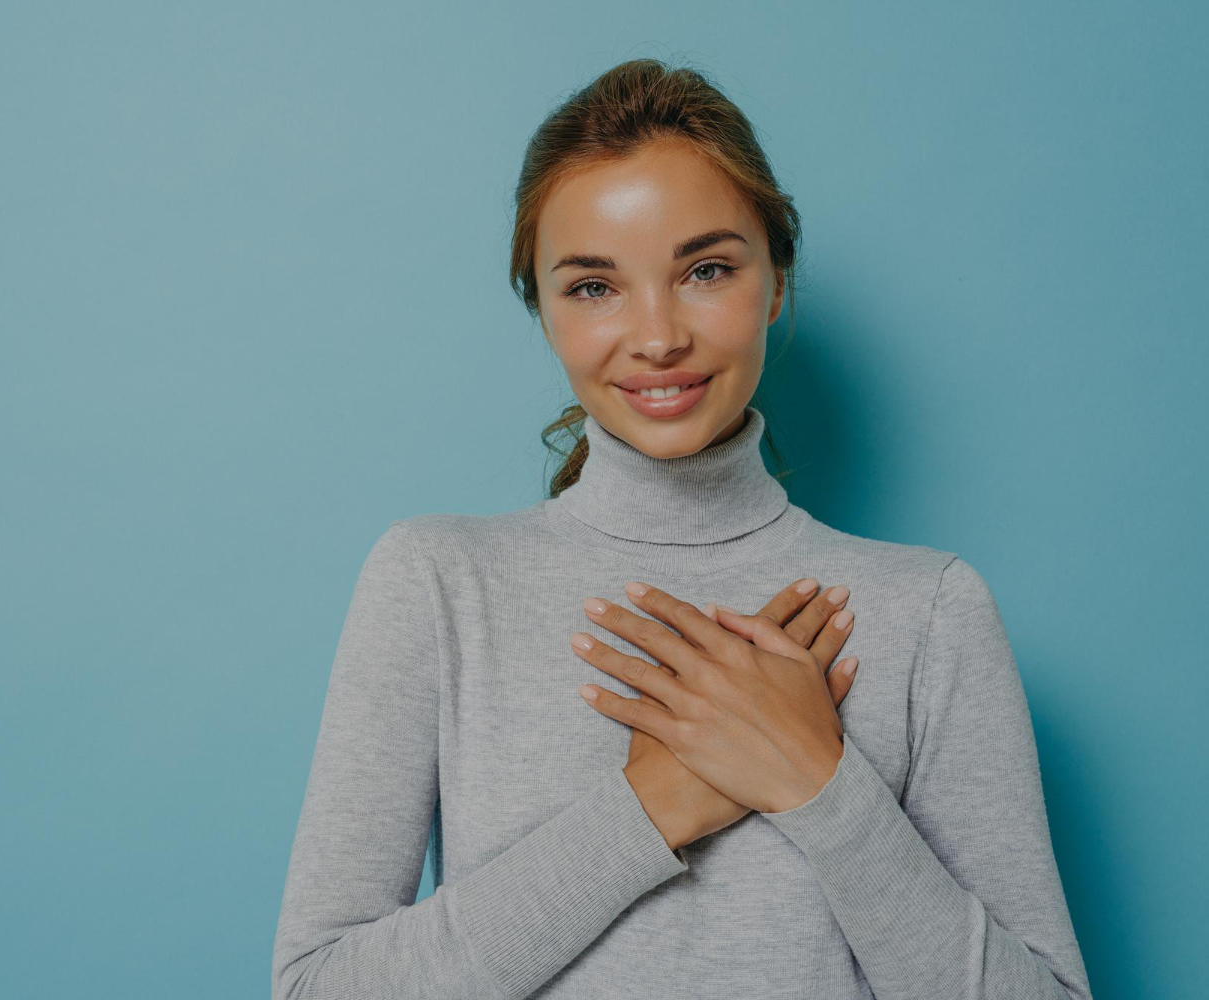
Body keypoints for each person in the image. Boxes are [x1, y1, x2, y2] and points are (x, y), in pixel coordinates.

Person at [271, 58, 1092, 999]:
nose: (657, 336)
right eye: (593, 286)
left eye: (706, 270)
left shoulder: (931, 609)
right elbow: (316, 987)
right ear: (541, 311)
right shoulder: (438, 583)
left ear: (776, 283)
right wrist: (652, 806)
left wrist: (821, 785)